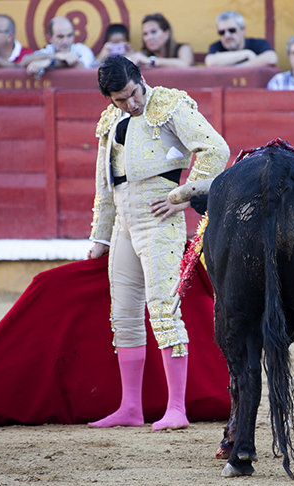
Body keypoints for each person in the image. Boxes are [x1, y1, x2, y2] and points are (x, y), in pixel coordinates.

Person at [86, 56, 229, 430]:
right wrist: (100, 236)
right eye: (119, 100)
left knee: (164, 310)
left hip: (159, 220)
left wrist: (183, 194)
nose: (130, 105)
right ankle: (130, 407)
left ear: (140, 78)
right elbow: (105, 184)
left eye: (132, 94)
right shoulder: (110, 120)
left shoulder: (169, 104)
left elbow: (215, 149)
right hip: (123, 225)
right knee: (125, 315)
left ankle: (177, 409)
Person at [22, 16, 94, 76]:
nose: (65, 41)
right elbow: (25, 60)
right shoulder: (49, 51)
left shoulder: (82, 50)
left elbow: (82, 67)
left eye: (69, 36)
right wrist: (56, 56)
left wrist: (50, 62)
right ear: (50, 38)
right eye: (60, 37)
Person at [204, 11, 277, 67]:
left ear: (243, 30)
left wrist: (239, 68)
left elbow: (271, 58)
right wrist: (246, 53)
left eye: (232, 30)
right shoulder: (217, 46)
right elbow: (210, 62)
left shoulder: (257, 43)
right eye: (222, 32)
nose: (227, 35)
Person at [127, 14, 193, 68]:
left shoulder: (183, 48)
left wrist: (151, 61)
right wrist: (130, 57)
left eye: (153, 32)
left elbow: (185, 64)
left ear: (166, 34)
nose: (149, 38)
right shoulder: (144, 55)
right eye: (145, 34)